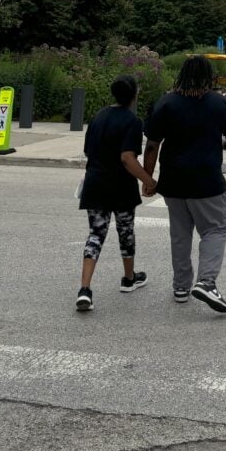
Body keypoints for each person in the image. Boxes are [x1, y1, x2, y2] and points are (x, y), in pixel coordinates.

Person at [142, 56, 226, 314]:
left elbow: (152, 144)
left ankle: (180, 287)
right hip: (208, 181)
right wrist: (220, 145)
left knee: (180, 234)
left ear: (182, 74)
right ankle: (207, 282)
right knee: (215, 230)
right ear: (208, 76)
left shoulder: (167, 102)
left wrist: (147, 179)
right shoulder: (218, 102)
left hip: (173, 182)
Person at [76, 75, 157, 312]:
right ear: (134, 95)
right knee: (125, 231)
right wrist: (148, 180)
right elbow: (127, 158)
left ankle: (85, 289)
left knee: (96, 234)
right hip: (120, 186)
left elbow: (87, 151)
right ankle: (129, 278)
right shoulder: (132, 121)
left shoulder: (98, 116)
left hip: (96, 183)